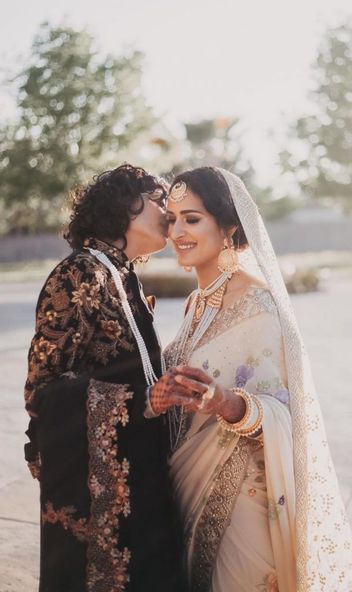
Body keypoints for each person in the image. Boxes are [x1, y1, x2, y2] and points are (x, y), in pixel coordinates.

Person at [163, 167, 352, 592]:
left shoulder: (260, 305)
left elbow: (284, 415)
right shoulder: (195, 303)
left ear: (229, 226)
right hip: (186, 491)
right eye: (172, 218)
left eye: (192, 218)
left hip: (242, 500)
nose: (177, 230)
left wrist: (224, 403)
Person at [24, 164, 191, 592]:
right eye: (158, 200)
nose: (169, 212)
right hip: (97, 487)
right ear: (124, 206)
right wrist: (143, 401)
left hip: (137, 467)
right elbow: (46, 389)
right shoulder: (79, 272)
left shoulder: (120, 274)